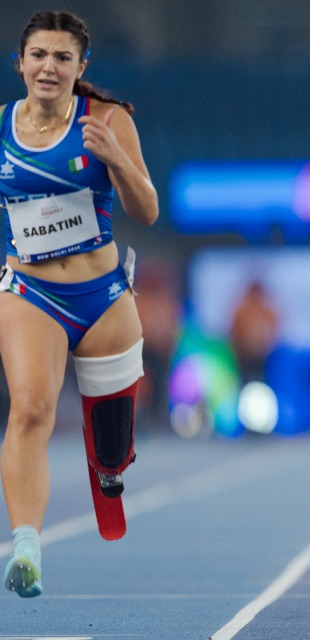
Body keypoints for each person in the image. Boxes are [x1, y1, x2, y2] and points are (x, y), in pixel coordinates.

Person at [0, 11, 158, 597]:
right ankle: (26, 549)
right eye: (39, 55)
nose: (49, 67)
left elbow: (147, 212)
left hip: (103, 295)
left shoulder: (108, 121)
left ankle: (110, 472)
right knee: (31, 410)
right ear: (21, 62)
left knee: (111, 448)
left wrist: (115, 158)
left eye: (62, 57)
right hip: (31, 292)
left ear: (80, 67)